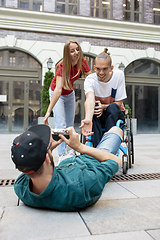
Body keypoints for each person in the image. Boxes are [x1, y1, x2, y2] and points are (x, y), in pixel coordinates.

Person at [11, 124, 122, 212]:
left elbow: (30, 164)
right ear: (47, 159)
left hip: (68, 161)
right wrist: (80, 147)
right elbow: (115, 161)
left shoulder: (21, 187)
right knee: (116, 129)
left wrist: (49, 148)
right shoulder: (82, 185)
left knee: (70, 151)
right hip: (96, 160)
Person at [43, 40, 92, 162]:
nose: (76, 52)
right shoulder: (62, 66)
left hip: (70, 93)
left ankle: (71, 150)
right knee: (61, 125)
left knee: (70, 125)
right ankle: (61, 156)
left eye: (77, 49)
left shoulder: (82, 63)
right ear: (67, 53)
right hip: (57, 93)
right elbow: (58, 90)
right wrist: (49, 111)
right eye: (72, 51)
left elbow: (91, 79)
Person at [80, 48, 127, 147]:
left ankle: (109, 141)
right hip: (99, 115)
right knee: (94, 108)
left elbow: (118, 103)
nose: (101, 72)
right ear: (94, 67)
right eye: (98, 69)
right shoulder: (90, 80)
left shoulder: (119, 76)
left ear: (111, 68)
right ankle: (98, 148)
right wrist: (88, 118)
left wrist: (103, 107)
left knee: (113, 107)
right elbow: (89, 99)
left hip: (115, 113)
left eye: (105, 69)